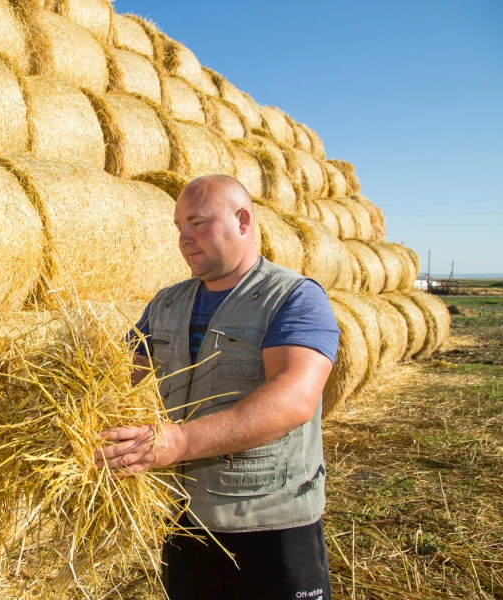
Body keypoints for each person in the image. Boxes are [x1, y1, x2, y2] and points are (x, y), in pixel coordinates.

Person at [95, 175, 339, 600]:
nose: (185, 239)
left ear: (242, 220)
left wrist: (181, 441)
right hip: (185, 520)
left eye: (198, 223)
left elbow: (295, 397)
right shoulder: (166, 303)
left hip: (270, 523)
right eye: (178, 228)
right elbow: (123, 377)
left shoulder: (292, 297)